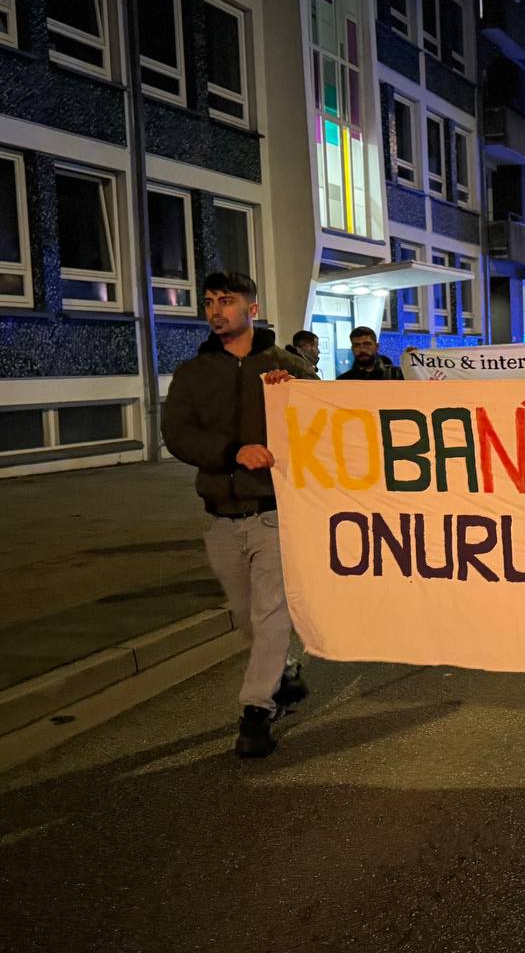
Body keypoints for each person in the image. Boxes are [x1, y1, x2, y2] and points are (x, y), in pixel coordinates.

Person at [161, 271, 315, 758]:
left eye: (226, 301)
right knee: (248, 617)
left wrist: (292, 394)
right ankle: (283, 674)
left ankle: (256, 711)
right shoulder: (193, 373)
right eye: (209, 302)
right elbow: (177, 434)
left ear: (252, 309)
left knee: (270, 612)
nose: (215, 311)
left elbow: (325, 421)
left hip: (272, 513)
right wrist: (232, 452)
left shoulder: (286, 366)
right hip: (220, 517)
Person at [338, 326, 403, 379]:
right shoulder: (343, 381)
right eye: (357, 345)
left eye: (367, 344)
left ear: (376, 347)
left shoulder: (397, 375)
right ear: (352, 349)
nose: (362, 349)